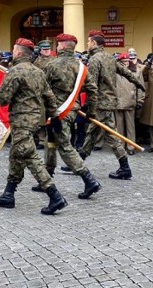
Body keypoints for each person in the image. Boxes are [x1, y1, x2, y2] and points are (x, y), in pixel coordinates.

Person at [0, 38, 67, 215]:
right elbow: (49, 96)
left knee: (30, 156)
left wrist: (4, 81)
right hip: (35, 120)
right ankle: (8, 194)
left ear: (18, 52)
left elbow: (3, 99)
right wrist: (54, 116)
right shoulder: (38, 71)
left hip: (21, 120)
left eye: (14, 50)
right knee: (16, 155)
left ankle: (54, 196)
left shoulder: (15, 71)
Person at [37, 33, 101, 199]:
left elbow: (43, 89)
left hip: (58, 112)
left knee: (65, 147)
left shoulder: (52, 65)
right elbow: (93, 91)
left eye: (58, 44)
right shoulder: (81, 67)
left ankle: (89, 180)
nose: (56, 47)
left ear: (63, 46)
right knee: (50, 142)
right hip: (71, 110)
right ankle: (47, 178)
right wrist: (91, 112)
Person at [79, 30, 145, 180]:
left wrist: (91, 108)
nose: (87, 44)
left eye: (88, 41)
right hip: (109, 101)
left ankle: (124, 167)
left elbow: (92, 86)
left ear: (94, 43)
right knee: (93, 132)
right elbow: (126, 72)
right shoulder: (109, 57)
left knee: (110, 134)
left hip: (101, 103)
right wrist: (138, 84)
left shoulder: (95, 59)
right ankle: (78, 161)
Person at [115, 52, 144, 156]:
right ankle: (121, 146)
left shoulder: (137, 71)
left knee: (130, 127)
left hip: (130, 102)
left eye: (127, 61)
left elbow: (140, 87)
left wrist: (140, 100)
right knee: (119, 127)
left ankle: (130, 146)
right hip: (118, 102)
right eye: (123, 62)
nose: (125, 63)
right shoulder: (115, 71)